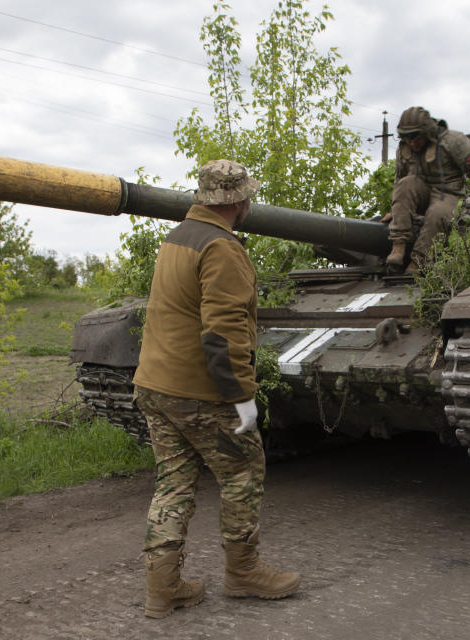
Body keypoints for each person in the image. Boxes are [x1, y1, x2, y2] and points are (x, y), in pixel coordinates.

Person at [132, 159, 299, 619]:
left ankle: (163, 589)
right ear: (240, 200)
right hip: (199, 391)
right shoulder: (221, 247)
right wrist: (241, 395)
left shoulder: (178, 238)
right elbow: (223, 330)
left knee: (174, 485)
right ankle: (243, 574)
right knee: (242, 473)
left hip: (155, 383)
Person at [386, 106, 470, 274]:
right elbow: (400, 179)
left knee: (437, 214)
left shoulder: (453, 141)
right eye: (407, 138)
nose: (412, 142)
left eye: (415, 137)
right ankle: (398, 247)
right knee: (405, 184)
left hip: (448, 192)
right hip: (420, 190)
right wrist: (397, 210)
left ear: (427, 132)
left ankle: (419, 260)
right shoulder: (405, 148)